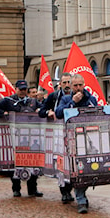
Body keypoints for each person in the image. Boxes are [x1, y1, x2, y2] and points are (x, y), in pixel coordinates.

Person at [55, 73, 98, 214]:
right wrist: (72, 102)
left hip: (88, 140)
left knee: (87, 169)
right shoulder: (66, 98)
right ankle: (81, 199)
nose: (78, 88)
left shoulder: (90, 98)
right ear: (71, 86)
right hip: (72, 141)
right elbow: (59, 112)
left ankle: (81, 195)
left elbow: (97, 112)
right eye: (75, 85)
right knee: (77, 169)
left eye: (80, 85)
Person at [0, 79, 44, 197]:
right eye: (20, 89)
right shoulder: (8, 101)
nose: (22, 91)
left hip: (31, 137)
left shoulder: (32, 101)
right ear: (16, 89)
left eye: (24, 89)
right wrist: (4, 113)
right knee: (15, 163)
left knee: (32, 162)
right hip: (14, 137)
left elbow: (43, 109)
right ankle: (16, 189)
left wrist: (39, 110)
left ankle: (32, 189)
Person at [38, 72, 74, 204]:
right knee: (60, 163)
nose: (66, 85)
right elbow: (41, 111)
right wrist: (49, 112)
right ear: (60, 84)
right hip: (57, 136)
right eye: (64, 83)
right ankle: (64, 192)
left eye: (68, 82)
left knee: (71, 162)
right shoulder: (53, 97)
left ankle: (70, 188)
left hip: (72, 136)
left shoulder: (76, 96)